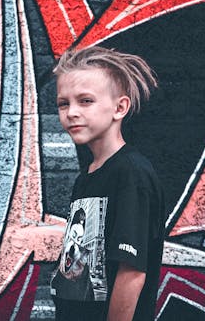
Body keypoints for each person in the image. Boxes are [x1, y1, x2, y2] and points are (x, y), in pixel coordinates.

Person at [50, 46, 165, 321]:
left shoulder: (130, 174)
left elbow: (132, 272)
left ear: (119, 107)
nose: (72, 112)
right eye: (64, 103)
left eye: (85, 101)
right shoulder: (87, 177)